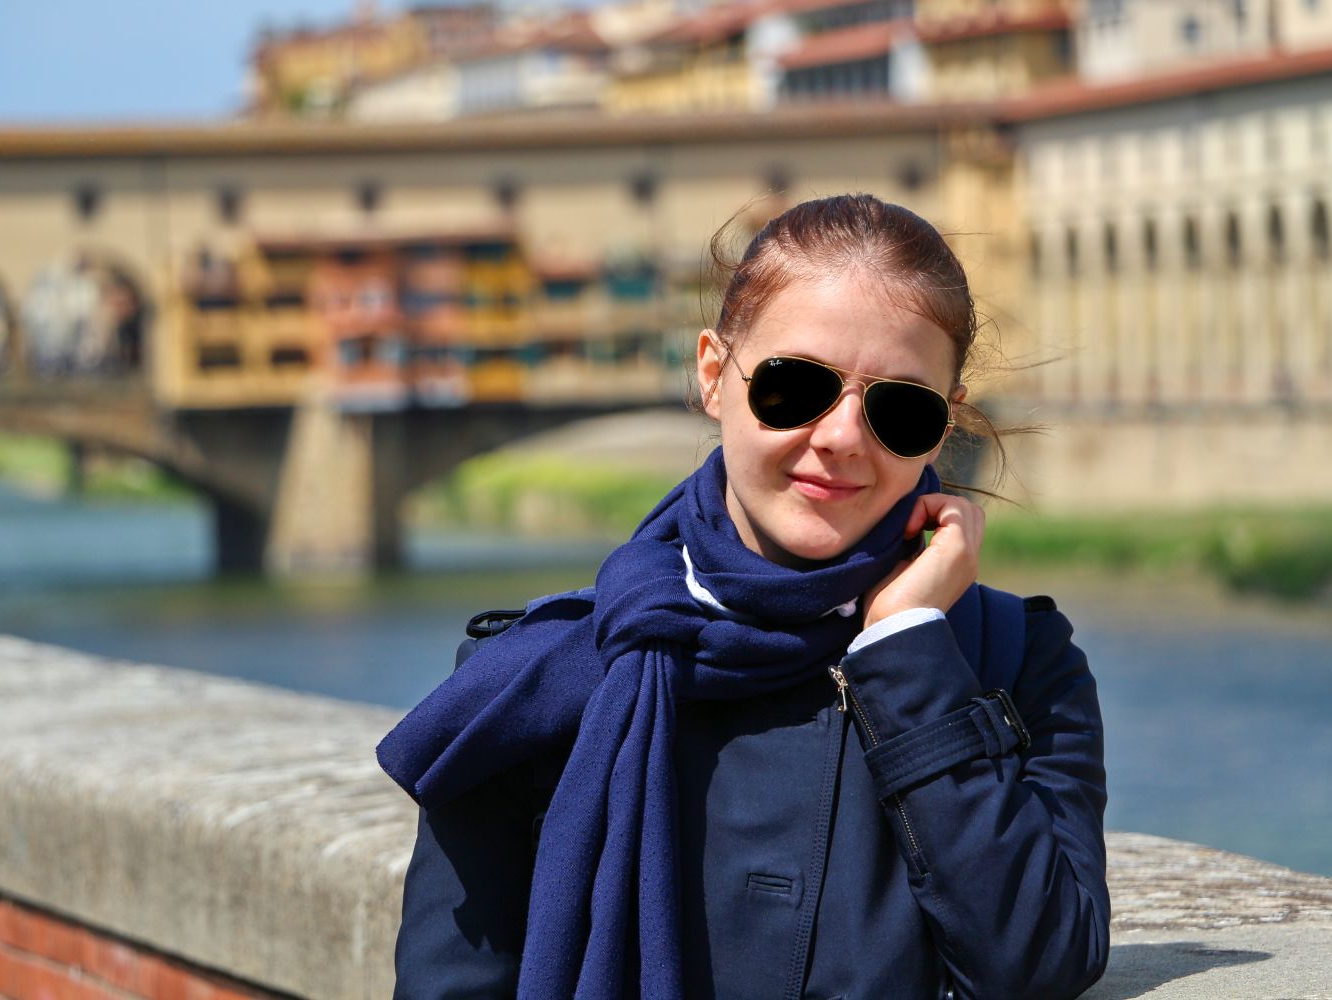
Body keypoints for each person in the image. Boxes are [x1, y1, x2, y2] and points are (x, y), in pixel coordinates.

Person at [377, 193, 1109, 1000]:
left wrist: (905, 649)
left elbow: (1039, 965)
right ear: (714, 374)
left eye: (900, 407)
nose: (840, 437)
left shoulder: (1019, 665)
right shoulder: (530, 686)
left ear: (945, 425)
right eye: (797, 387)